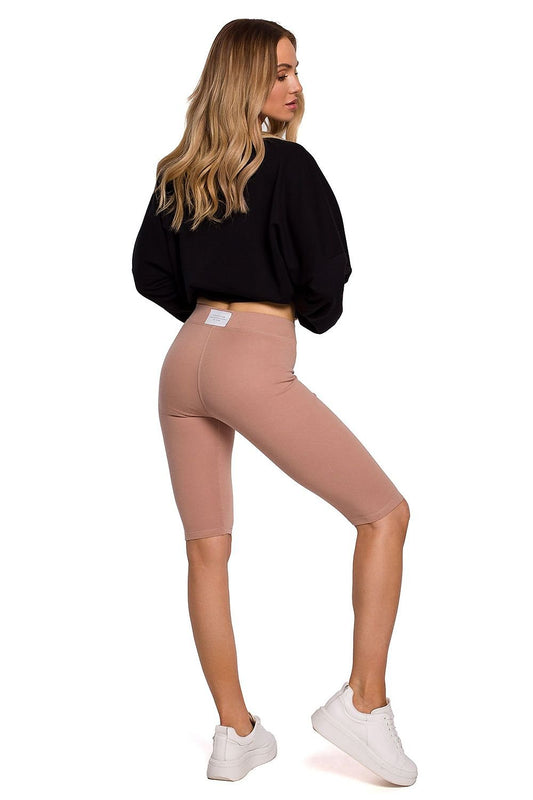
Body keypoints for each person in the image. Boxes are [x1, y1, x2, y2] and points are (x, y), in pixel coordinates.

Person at [131, 18, 417, 786]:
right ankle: (363, 703)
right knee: (384, 515)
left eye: (295, 70)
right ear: (243, 81)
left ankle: (234, 734)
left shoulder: (182, 170)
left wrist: (210, 313)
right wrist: (283, 312)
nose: (293, 86)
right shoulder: (288, 165)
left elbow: (150, 271)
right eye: (278, 72)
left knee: (205, 549)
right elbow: (326, 280)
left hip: (183, 360)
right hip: (250, 360)